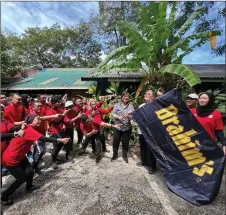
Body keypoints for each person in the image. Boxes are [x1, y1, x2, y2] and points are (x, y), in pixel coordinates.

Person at [1, 114, 69, 205]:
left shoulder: (27, 127)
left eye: (40, 120)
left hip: (20, 156)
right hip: (10, 158)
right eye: (37, 119)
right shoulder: (29, 129)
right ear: (31, 120)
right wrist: (60, 140)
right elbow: (43, 138)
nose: (40, 121)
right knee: (21, 178)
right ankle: (4, 196)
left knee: (30, 171)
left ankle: (29, 187)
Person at [46, 96, 74, 169]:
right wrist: (64, 114)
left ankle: (61, 157)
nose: (59, 103)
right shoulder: (49, 111)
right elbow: (56, 122)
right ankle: (53, 161)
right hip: (54, 131)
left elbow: (65, 119)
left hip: (61, 131)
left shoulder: (59, 109)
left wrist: (67, 120)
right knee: (56, 147)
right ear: (52, 103)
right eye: (57, 102)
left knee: (64, 143)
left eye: (59, 102)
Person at [137, 90, 157, 174]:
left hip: (151, 132)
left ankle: (152, 167)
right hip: (141, 131)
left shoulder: (155, 106)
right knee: (143, 147)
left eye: (149, 94)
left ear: (153, 97)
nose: (146, 94)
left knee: (151, 149)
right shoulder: (141, 105)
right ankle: (144, 161)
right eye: (146, 93)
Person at [111, 92, 135, 163]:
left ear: (129, 98)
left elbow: (133, 116)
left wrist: (129, 116)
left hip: (127, 127)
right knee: (116, 142)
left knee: (125, 142)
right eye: (124, 96)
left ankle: (125, 156)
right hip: (117, 127)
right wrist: (118, 116)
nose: (125, 98)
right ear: (122, 97)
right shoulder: (117, 105)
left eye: (127, 97)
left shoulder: (131, 106)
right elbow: (113, 114)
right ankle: (115, 155)